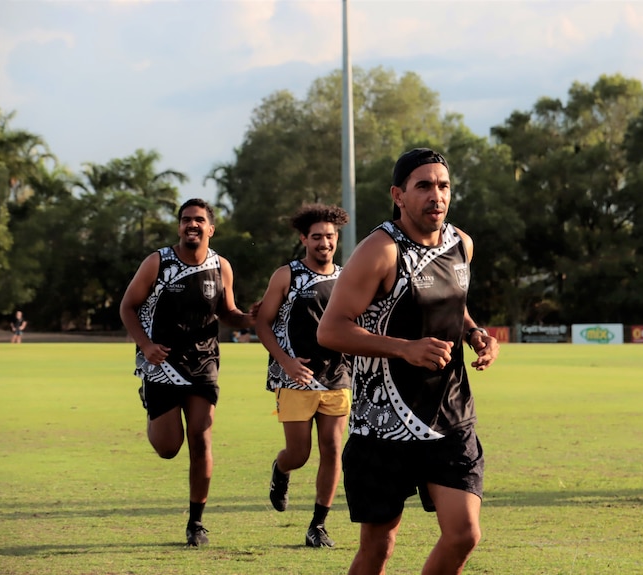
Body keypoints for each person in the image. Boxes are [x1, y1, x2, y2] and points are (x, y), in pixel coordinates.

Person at [317, 148, 500, 575]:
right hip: (384, 422)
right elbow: (331, 330)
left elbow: (456, 304)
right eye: (424, 186)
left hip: (449, 414)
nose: (436, 196)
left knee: (464, 533)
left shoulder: (461, 244)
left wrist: (474, 333)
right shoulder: (379, 251)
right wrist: (404, 348)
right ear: (399, 195)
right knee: (378, 547)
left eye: (443, 186)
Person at [119, 198, 255, 546]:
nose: (191, 225)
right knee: (168, 448)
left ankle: (196, 523)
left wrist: (253, 318)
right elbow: (128, 307)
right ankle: (150, 403)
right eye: (185, 220)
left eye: (198, 220)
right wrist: (146, 346)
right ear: (179, 227)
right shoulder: (158, 262)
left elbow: (228, 312)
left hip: (204, 364)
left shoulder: (221, 265)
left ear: (210, 228)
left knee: (201, 436)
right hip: (161, 363)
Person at [255, 203, 352, 549]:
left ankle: (318, 524)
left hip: (338, 377)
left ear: (337, 238)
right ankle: (280, 471)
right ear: (303, 239)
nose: (324, 243)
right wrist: (286, 362)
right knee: (299, 453)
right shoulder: (287, 276)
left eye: (329, 236)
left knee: (332, 448)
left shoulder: (347, 277)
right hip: (295, 379)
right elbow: (262, 323)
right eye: (316, 237)